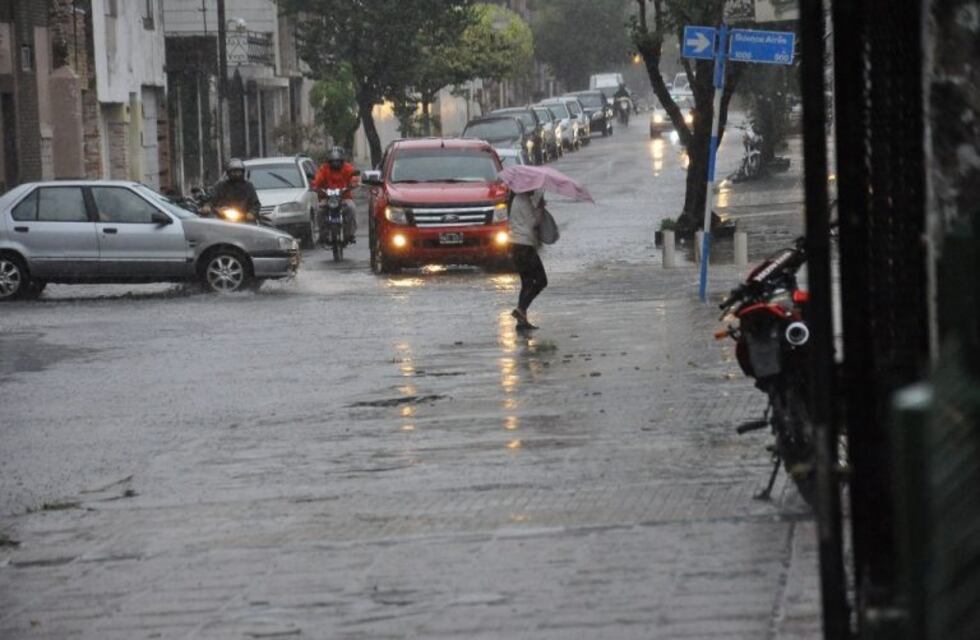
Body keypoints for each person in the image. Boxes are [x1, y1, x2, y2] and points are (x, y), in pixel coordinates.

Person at [508, 189, 549, 330]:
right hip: (524, 246)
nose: (534, 190)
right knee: (541, 280)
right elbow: (532, 223)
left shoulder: (517, 199)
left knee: (526, 283)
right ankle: (520, 309)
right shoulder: (524, 201)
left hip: (515, 245)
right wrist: (540, 209)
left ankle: (522, 321)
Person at [312, 147, 359, 243]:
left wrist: (353, 182)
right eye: (333, 161)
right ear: (329, 161)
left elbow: (353, 176)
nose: (335, 163)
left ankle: (350, 233)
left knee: (351, 208)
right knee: (320, 209)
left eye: (338, 161)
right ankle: (323, 234)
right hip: (327, 198)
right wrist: (315, 185)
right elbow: (317, 179)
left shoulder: (347, 167)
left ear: (342, 160)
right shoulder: (324, 169)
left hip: (344, 197)